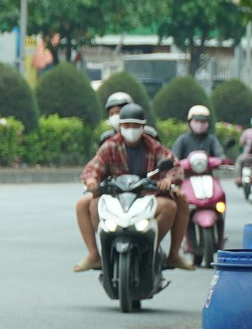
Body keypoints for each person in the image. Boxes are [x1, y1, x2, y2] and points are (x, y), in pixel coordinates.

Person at [75, 104, 193, 273]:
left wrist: (168, 180)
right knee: (90, 204)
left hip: (147, 196)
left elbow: (175, 166)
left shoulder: (153, 146)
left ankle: (162, 250)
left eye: (136, 126)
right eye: (127, 125)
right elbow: (93, 168)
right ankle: (96, 254)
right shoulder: (110, 146)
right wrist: (92, 179)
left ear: (143, 127)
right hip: (115, 196)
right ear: (120, 127)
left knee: (173, 205)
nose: (131, 130)